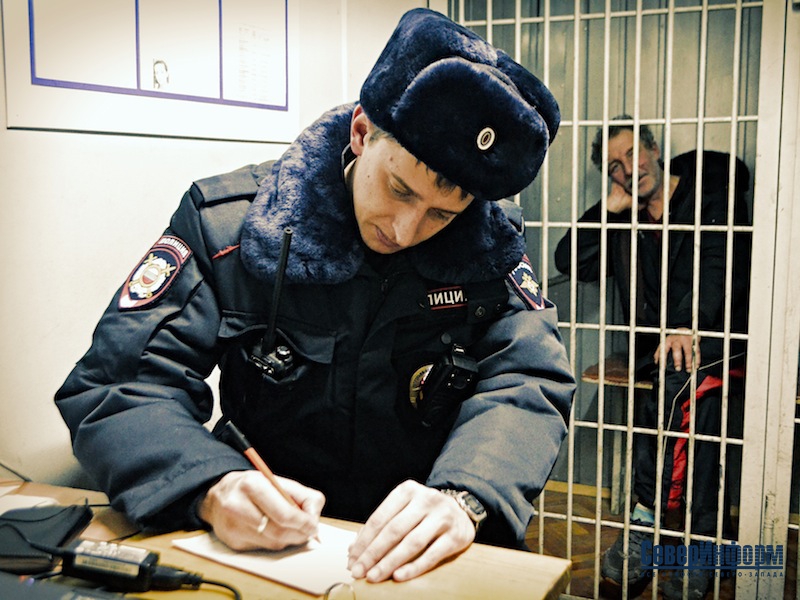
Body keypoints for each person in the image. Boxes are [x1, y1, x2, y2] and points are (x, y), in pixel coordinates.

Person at [55, 9, 575, 585]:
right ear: (362, 132)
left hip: (427, 550)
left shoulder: (488, 246)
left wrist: (466, 496)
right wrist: (210, 485)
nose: (405, 230)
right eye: (399, 189)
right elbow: (119, 385)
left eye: (441, 215)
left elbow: (528, 380)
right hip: (269, 547)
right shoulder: (233, 227)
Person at [554, 116, 750, 598]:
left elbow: (721, 264)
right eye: (615, 166)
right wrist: (608, 209)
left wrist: (688, 324)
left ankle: (649, 522)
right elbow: (570, 261)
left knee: (684, 386)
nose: (629, 168)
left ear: (654, 149)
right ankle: (699, 543)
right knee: (692, 401)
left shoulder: (709, 197)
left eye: (633, 153)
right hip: (662, 355)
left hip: (719, 339)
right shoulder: (626, 216)